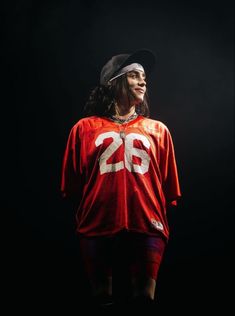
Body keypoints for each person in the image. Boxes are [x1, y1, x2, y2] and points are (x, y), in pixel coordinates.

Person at [60, 49, 181, 312]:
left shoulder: (158, 131)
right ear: (114, 82)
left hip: (147, 223)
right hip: (97, 224)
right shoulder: (83, 129)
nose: (143, 81)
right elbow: (73, 187)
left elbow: (168, 188)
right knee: (101, 299)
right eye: (135, 75)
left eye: (144, 77)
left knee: (144, 300)